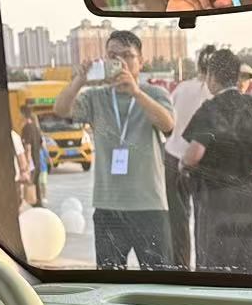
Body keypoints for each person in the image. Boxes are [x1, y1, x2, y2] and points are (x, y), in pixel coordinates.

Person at [56, 29, 175, 270]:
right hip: (108, 206)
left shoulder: (155, 93)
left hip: (149, 205)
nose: (119, 61)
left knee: (160, 277)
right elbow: (61, 109)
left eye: (127, 55)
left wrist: (136, 92)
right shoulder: (95, 97)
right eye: (112, 55)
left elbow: (167, 124)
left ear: (141, 62)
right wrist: (79, 79)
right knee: (109, 277)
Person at [183, 47, 252, 273]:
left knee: (217, 265)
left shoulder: (210, 109)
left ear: (212, 77)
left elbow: (194, 155)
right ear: (235, 76)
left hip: (217, 200)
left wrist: (183, 164)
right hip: (251, 199)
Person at [163, 44, 214, 271]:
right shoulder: (214, 94)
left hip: (173, 157)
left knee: (178, 220)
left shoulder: (181, 88)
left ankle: (181, 269)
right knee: (204, 221)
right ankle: (203, 270)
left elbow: (169, 122)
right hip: (202, 162)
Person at [18, 104, 48, 209]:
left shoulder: (27, 128)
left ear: (23, 114)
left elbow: (28, 146)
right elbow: (41, 143)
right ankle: (39, 204)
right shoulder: (36, 127)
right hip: (38, 161)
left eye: (20, 113)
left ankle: (34, 205)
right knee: (36, 185)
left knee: (30, 186)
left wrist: (27, 162)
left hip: (31, 163)